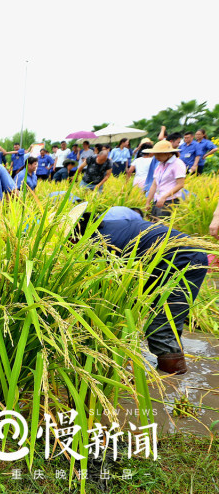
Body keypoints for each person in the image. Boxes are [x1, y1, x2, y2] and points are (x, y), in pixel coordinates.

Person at [72, 204, 208, 374]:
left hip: (184, 260)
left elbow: (109, 296)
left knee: (160, 328)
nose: (70, 246)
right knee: (165, 320)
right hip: (166, 261)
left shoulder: (100, 244)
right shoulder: (109, 225)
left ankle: (175, 382)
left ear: (76, 235)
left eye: (69, 241)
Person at [145, 140, 185, 219]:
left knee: (163, 226)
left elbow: (180, 184)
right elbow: (154, 184)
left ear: (167, 153)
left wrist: (165, 197)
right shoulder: (160, 165)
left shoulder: (177, 164)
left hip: (170, 201)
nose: (156, 157)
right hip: (157, 199)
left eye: (159, 154)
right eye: (155, 155)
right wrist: (148, 202)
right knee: (153, 225)